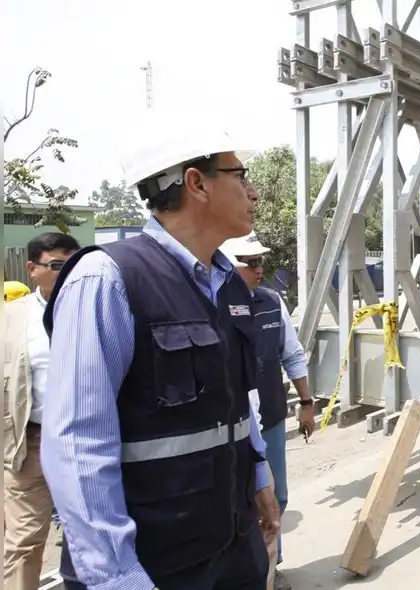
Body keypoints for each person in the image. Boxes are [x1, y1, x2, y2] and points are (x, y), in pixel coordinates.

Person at [40, 120, 281, 590]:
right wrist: (117, 578)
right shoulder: (108, 279)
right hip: (154, 565)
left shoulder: (229, 282)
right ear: (196, 183)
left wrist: (258, 473)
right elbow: (76, 445)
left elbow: (232, 399)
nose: (253, 192)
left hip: (232, 545)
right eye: (240, 174)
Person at [220, 226, 314, 590]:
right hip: (229, 425)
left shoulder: (272, 302)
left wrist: (306, 403)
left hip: (271, 419)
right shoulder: (210, 305)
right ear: (226, 265)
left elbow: (291, 354)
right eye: (249, 262)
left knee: (278, 496)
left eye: (260, 261)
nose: (258, 269)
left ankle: (273, 569)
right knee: (240, 503)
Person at [3, 232, 79, 590]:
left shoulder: (93, 307)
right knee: (22, 543)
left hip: (86, 443)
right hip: (30, 444)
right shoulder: (11, 319)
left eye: (75, 263)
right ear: (32, 269)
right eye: (58, 265)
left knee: (91, 538)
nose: (69, 272)